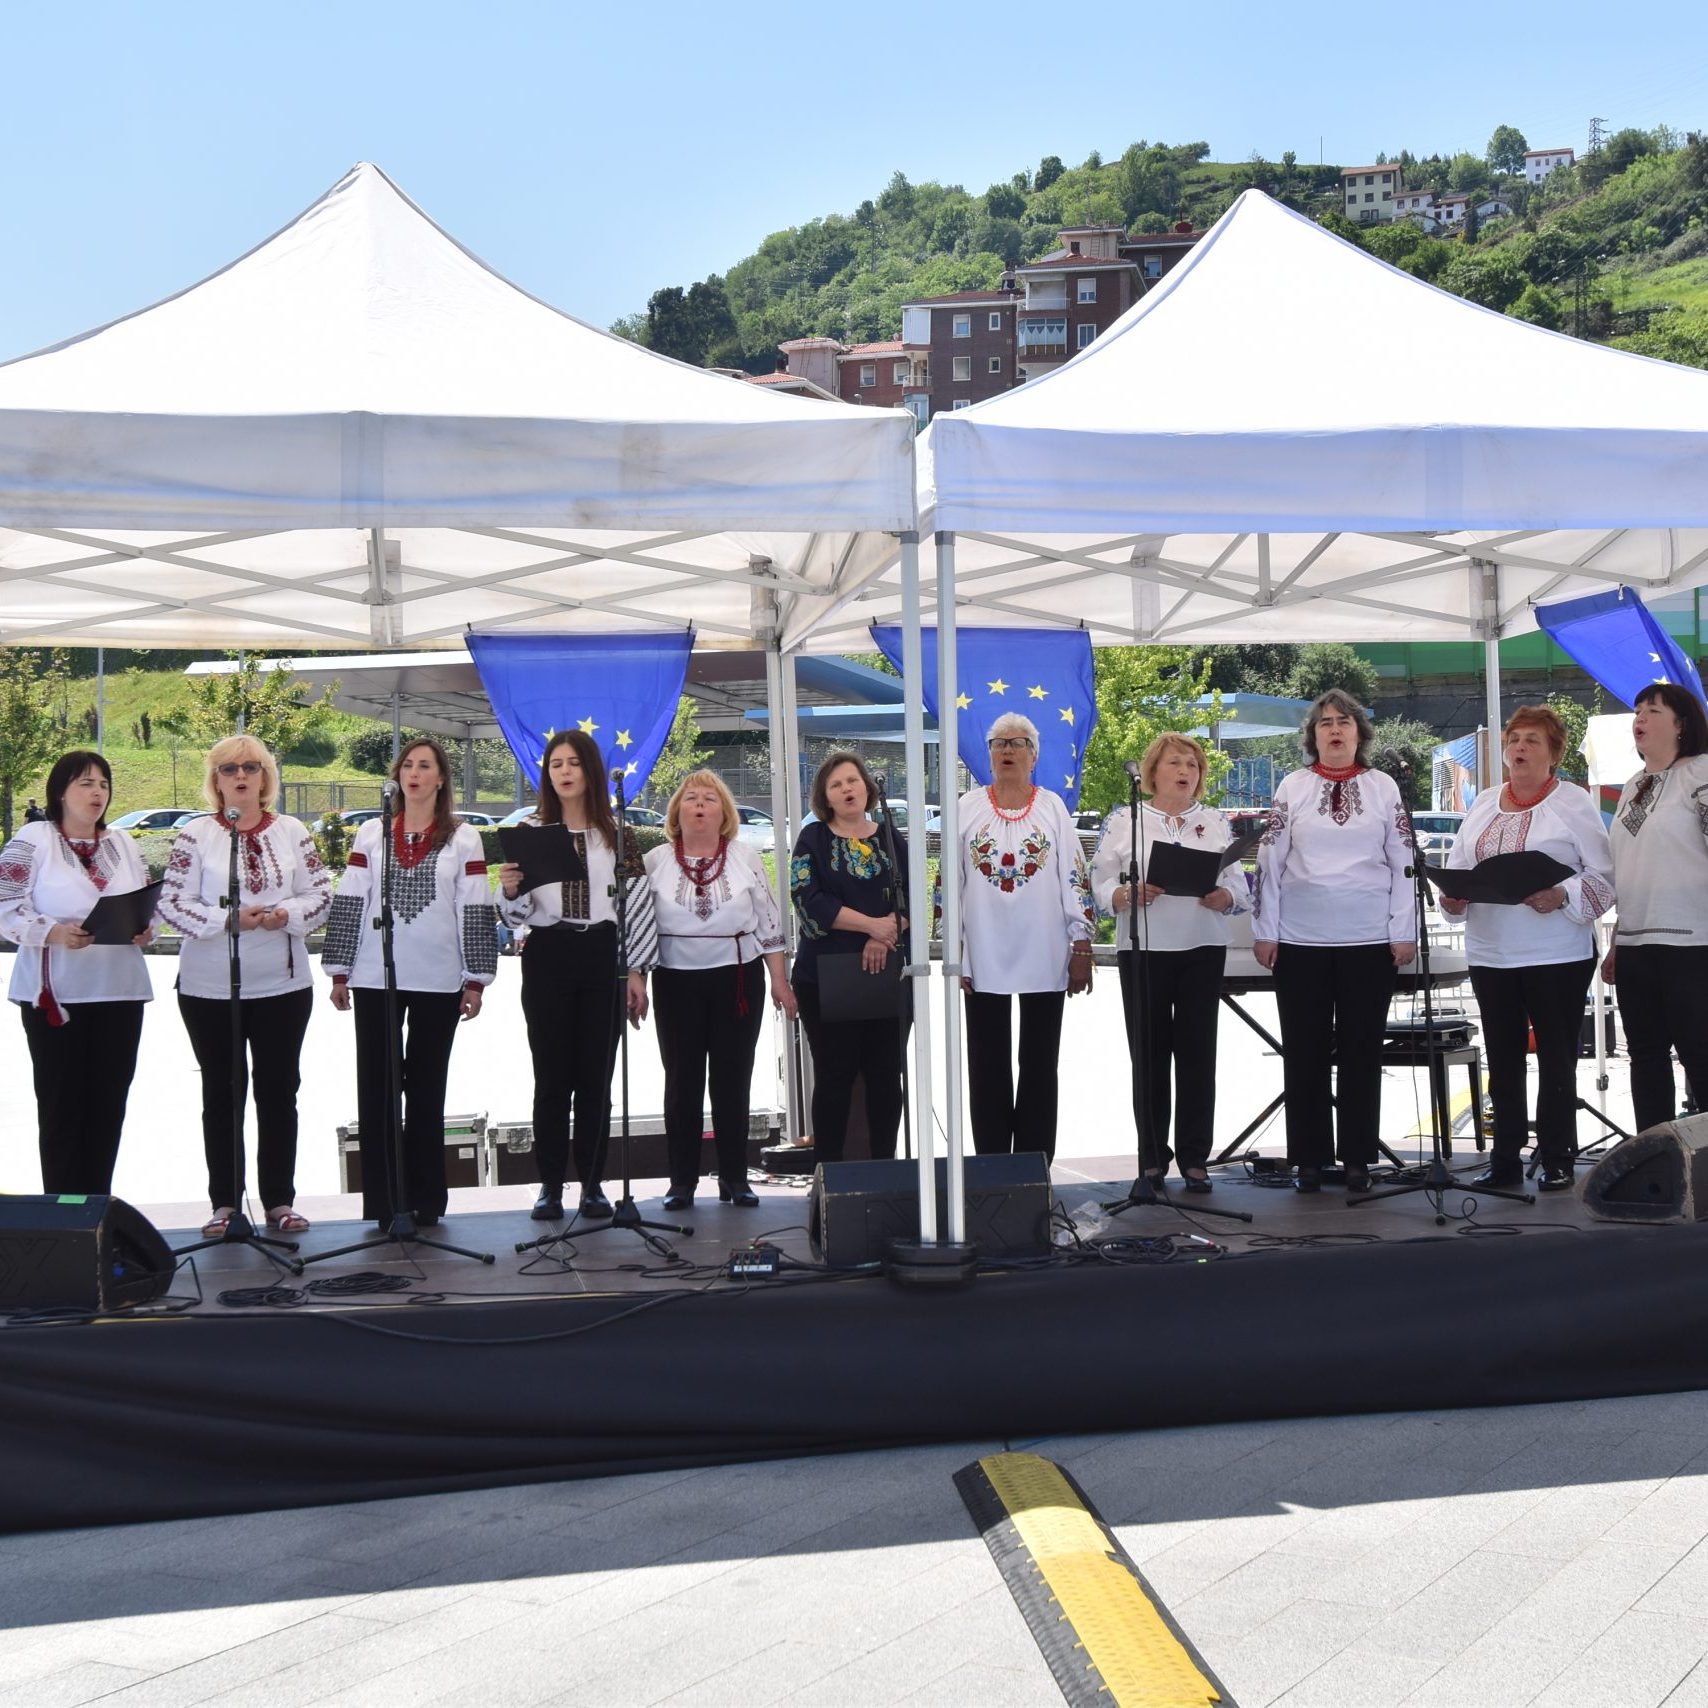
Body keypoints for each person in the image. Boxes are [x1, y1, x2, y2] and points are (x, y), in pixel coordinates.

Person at [158, 736, 332, 1237]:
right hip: (209, 989)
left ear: (265, 776)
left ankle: (279, 1200)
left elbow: (321, 894)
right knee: (222, 1093)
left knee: (279, 1092)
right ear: (215, 779)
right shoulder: (195, 834)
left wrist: (286, 914)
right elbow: (172, 903)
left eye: (251, 767)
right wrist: (228, 920)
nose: (240, 776)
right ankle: (225, 1204)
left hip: (282, 985)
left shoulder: (292, 831)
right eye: (229, 768)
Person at [322, 739, 498, 1227]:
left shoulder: (464, 838)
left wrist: (476, 979)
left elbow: (475, 905)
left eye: (425, 766)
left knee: (426, 1090)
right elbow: (352, 898)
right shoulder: (372, 833)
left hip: (439, 977)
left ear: (441, 778)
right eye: (407, 766)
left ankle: (425, 1201)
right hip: (374, 976)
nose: (414, 773)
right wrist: (340, 969)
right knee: (377, 1089)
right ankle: (385, 1204)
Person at [1438, 707, 1614, 1191]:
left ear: (1554, 753)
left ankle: (1558, 1156)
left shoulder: (1573, 802)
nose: (1519, 747)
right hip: (1491, 952)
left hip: (1556, 953)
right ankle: (1505, 1160)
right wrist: (1452, 897)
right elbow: (1459, 866)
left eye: (1533, 740)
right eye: (1514, 739)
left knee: (1556, 1057)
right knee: (1502, 1057)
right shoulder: (1484, 803)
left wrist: (1563, 894)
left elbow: (1605, 876)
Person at [1254, 690, 1415, 1193]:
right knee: (1304, 1052)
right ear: (1313, 735)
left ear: (1359, 732)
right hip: (1301, 940)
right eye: (1325, 723)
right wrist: (1265, 930)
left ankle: (1358, 1159)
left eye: (1344, 721)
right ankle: (1309, 1159)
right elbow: (1269, 861)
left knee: (1362, 1051)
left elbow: (1404, 861)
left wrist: (1404, 929)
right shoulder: (1293, 786)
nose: (1335, 729)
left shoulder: (1383, 786)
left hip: (1369, 939)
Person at [498, 729, 658, 1222]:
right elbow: (514, 915)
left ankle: (592, 1184)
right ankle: (550, 1185)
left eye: (573, 763)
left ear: (590, 770)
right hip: (548, 951)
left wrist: (636, 970)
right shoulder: (529, 829)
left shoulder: (617, 831)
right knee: (551, 1076)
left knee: (595, 1076)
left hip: (601, 954)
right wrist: (509, 891)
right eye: (555, 764)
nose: (564, 772)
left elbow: (636, 904)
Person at [1091, 733, 1245, 1192]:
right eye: (1175, 763)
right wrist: (1123, 894)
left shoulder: (1215, 821)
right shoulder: (1125, 820)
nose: (1185, 771)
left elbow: (1238, 883)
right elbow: (1098, 881)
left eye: (1193, 765)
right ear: (1152, 772)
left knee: (1198, 1055)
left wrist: (1225, 896)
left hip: (1202, 947)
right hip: (1144, 949)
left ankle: (1195, 1159)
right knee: (1149, 1057)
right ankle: (1152, 1159)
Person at [0, 751, 154, 1194]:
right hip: (58, 996)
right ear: (61, 791)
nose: (97, 793)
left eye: (103, 784)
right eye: (86, 783)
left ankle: (96, 1209)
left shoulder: (123, 842)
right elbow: (5, 905)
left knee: (108, 1107)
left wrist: (146, 928)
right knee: (62, 1108)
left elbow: (148, 900)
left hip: (120, 992)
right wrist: (52, 932)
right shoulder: (35, 838)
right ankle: (64, 1212)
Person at [645, 771, 795, 1209]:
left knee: (732, 1078)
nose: (699, 804)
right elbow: (636, 924)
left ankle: (734, 1177)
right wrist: (635, 976)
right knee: (682, 1081)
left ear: (724, 812)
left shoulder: (746, 857)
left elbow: (769, 922)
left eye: (710, 799)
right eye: (690, 797)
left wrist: (780, 981)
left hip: (737, 979)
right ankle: (681, 1182)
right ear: (676, 812)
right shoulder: (655, 861)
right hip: (675, 979)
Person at [955, 712, 1094, 1162]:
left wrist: (1081, 944)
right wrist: (957, 952)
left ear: (1034, 756)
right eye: (999, 743)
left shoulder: (1052, 807)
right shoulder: (966, 807)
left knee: (1039, 1063)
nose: (1008, 751)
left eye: (1018, 744)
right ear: (989, 754)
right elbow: (950, 884)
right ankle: (993, 1166)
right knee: (986, 1063)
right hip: (983, 950)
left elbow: (1074, 876)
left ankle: (1035, 1165)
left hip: (1045, 949)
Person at [789, 751, 908, 1163]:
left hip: (885, 977)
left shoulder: (890, 837)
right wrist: (871, 926)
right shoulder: (813, 839)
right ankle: (830, 1174)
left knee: (886, 1076)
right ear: (825, 796)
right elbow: (808, 901)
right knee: (834, 1076)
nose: (846, 789)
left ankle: (884, 1169)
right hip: (824, 980)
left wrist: (885, 935)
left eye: (852, 780)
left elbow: (910, 896)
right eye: (836, 784)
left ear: (867, 786)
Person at [1603, 682, 1708, 1132]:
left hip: (1692, 942)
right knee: (1645, 1056)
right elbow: (1631, 868)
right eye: (1637, 710)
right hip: (1636, 944)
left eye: (1653, 710)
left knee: (1699, 1053)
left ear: (1681, 724)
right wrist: (1617, 941)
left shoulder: (1701, 772)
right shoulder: (1633, 785)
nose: (1639, 718)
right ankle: (1656, 1157)